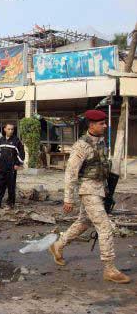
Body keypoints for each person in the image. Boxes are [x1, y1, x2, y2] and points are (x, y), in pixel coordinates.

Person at [49, 110, 131, 284]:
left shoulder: (101, 142)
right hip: (88, 191)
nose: (105, 125)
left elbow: (103, 168)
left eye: (104, 122)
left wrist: (107, 190)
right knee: (105, 227)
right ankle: (109, 268)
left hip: (100, 189)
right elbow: (71, 173)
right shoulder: (81, 146)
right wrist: (68, 198)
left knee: (84, 222)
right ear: (91, 125)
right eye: (101, 123)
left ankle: (58, 245)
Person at [0, 124, 25, 210]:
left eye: (12, 129)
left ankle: (10, 204)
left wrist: (17, 164)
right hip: (2, 167)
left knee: (11, 186)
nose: (11, 131)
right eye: (9, 129)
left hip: (11, 168)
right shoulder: (2, 140)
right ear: (5, 130)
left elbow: (21, 154)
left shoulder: (16, 140)